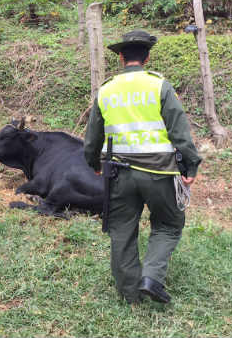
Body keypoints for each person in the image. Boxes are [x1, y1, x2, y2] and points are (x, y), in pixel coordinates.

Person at [83, 30, 202, 304]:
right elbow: (180, 132)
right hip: (159, 172)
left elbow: (92, 138)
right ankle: (151, 277)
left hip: (118, 173)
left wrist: (93, 164)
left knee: (121, 229)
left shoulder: (106, 89)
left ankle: (130, 294)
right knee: (169, 224)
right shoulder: (159, 86)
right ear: (147, 57)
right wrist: (191, 166)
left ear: (121, 58)